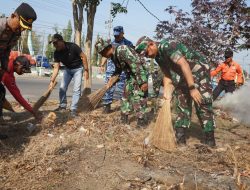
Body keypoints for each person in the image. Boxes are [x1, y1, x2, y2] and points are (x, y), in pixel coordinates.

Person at [135, 36, 216, 147]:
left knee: (201, 102)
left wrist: (192, 88)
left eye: (147, 52)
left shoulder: (167, 46)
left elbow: (184, 64)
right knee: (181, 102)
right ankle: (180, 138)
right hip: (182, 74)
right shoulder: (158, 57)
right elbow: (167, 75)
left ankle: (209, 140)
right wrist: (166, 95)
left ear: (151, 44)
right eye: (145, 55)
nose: (147, 55)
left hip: (198, 71)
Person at [95, 38, 148, 127]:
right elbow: (118, 69)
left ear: (108, 48)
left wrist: (143, 82)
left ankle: (141, 121)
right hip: (131, 75)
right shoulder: (113, 56)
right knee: (125, 96)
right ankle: (124, 119)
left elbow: (136, 64)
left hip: (139, 73)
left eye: (102, 53)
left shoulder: (122, 50)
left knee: (139, 97)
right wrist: (112, 80)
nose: (102, 55)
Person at [49, 34, 89, 117]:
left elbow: (83, 57)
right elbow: (56, 68)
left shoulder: (73, 47)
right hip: (68, 69)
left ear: (62, 41)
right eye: (53, 44)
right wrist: (52, 80)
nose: (55, 45)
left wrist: (86, 70)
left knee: (76, 89)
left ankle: (73, 110)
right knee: (62, 88)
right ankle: (62, 106)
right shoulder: (56, 53)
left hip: (78, 69)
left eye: (56, 43)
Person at [0, 56, 38, 139]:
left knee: (1, 91)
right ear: (17, 64)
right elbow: (17, 96)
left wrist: (31, 110)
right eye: (23, 69)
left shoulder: (9, 73)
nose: (23, 72)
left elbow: (17, 95)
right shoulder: (4, 66)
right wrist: (32, 111)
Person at [100, 26, 133, 113]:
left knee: (123, 89)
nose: (116, 37)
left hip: (123, 70)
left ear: (122, 33)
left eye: (118, 35)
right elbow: (105, 55)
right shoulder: (110, 43)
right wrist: (102, 65)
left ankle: (124, 108)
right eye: (115, 35)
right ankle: (107, 105)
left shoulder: (128, 43)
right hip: (111, 69)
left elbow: (133, 56)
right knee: (108, 87)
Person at [0, 3, 37, 79]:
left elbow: (6, 50)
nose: (22, 29)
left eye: (24, 28)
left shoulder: (15, 34)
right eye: (20, 25)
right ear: (13, 16)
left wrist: (4, 67)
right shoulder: (0, 26)